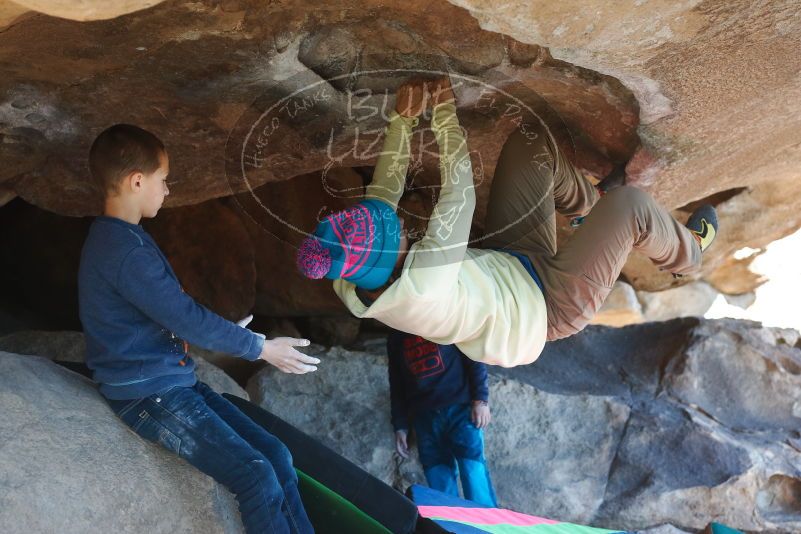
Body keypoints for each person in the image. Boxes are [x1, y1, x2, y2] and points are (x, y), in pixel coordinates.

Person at [296, 76, 718, 367]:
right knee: (630, 205)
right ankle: (689, 254)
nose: (405, 226)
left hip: (508, 265)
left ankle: (591, 211)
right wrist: (443, 114)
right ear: (391, 253)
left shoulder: (354, 269)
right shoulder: (425, 282)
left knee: (530, 145)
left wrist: (402, 120)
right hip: (547, 308)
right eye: (400, 233)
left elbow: (383, 195)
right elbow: (458, 194)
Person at [78, 124, 318, 534]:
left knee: (275, 455)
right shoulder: (122, 250)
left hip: (173, 382)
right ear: (137, 181)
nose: (167, 191)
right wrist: (260, 348)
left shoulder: (126, 240)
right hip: (148, 394)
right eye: (163, 181)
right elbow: (183, 315)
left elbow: (167, 314)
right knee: (255, 474)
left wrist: (224, 333)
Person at [388, 329, 497, 506]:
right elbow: (397, 382)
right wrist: (400, 425)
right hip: (424, 418)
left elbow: (473, 356)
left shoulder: (445, 316)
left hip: (461, 410)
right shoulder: (396, 335)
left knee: (473, 471)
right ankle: (449, 527)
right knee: (439, 480)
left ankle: (487, 527)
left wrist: (481, 400)